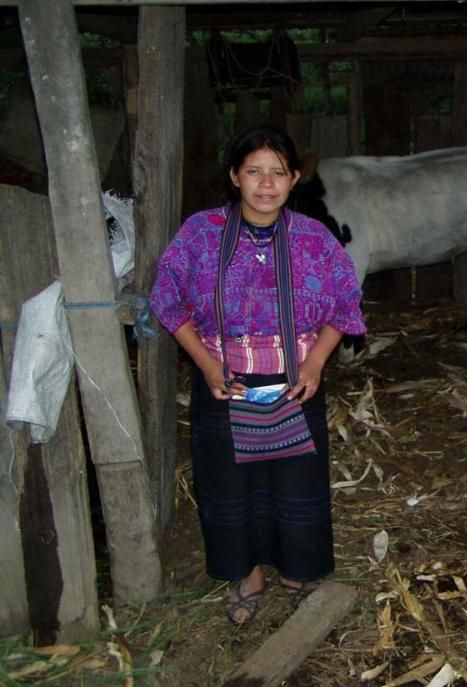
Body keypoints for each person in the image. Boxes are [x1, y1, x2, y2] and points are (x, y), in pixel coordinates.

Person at [150, 126, 366, 624]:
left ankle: (296, 571)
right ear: (234, 177)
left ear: (293, 180)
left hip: (297, 381)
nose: (266, 184)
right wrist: (206, 366)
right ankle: (247, 575)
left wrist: (315, 363)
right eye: (253, 172)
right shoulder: (200, 234)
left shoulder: (315, 238)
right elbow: (167, 300)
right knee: (230, 484)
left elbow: (345, 305)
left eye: (278, 173)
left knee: (296, 484)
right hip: (224, 384)